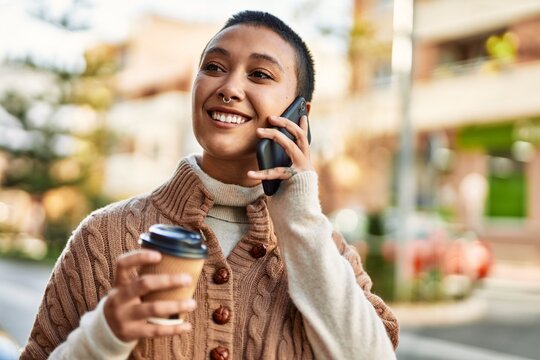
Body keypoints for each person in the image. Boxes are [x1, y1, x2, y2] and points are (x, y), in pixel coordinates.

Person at [21, 10, 399, 359]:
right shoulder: (102, 237)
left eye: (260, 74)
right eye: (214, 67)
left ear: (300, 113)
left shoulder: (324, 250)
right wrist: (104, 336)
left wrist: (299, 217)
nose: (229, 87)